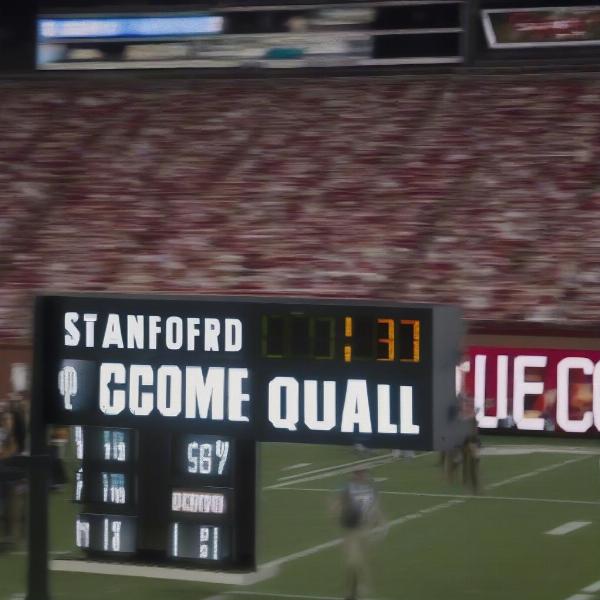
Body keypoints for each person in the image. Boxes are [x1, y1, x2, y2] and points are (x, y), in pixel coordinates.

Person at [335, 468, 386, 600]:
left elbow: (375, 507)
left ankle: (352, 592)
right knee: (353, 561)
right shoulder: (347, 488)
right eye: (358, 473)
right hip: (352, 530)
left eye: (363, 473)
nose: (362, 476)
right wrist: (339, 512)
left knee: (359, 561)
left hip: (365, 530)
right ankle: (358, 589)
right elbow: (338, 504)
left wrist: (381, 523)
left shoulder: (372, 488)